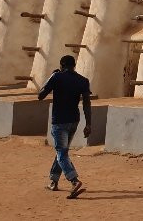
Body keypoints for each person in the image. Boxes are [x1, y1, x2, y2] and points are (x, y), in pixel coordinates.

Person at [37, 55, 91, 199]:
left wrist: (52, 76)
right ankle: (54, 181)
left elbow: (40, 95)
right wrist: (89, 123)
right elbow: (86, 103)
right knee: (62, 151)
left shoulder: (56, 77)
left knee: (61, 151)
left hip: (59, 121)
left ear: (61, 65)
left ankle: (74, 180)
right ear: (74, 66)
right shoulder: (83, 80)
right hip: (74, 120)